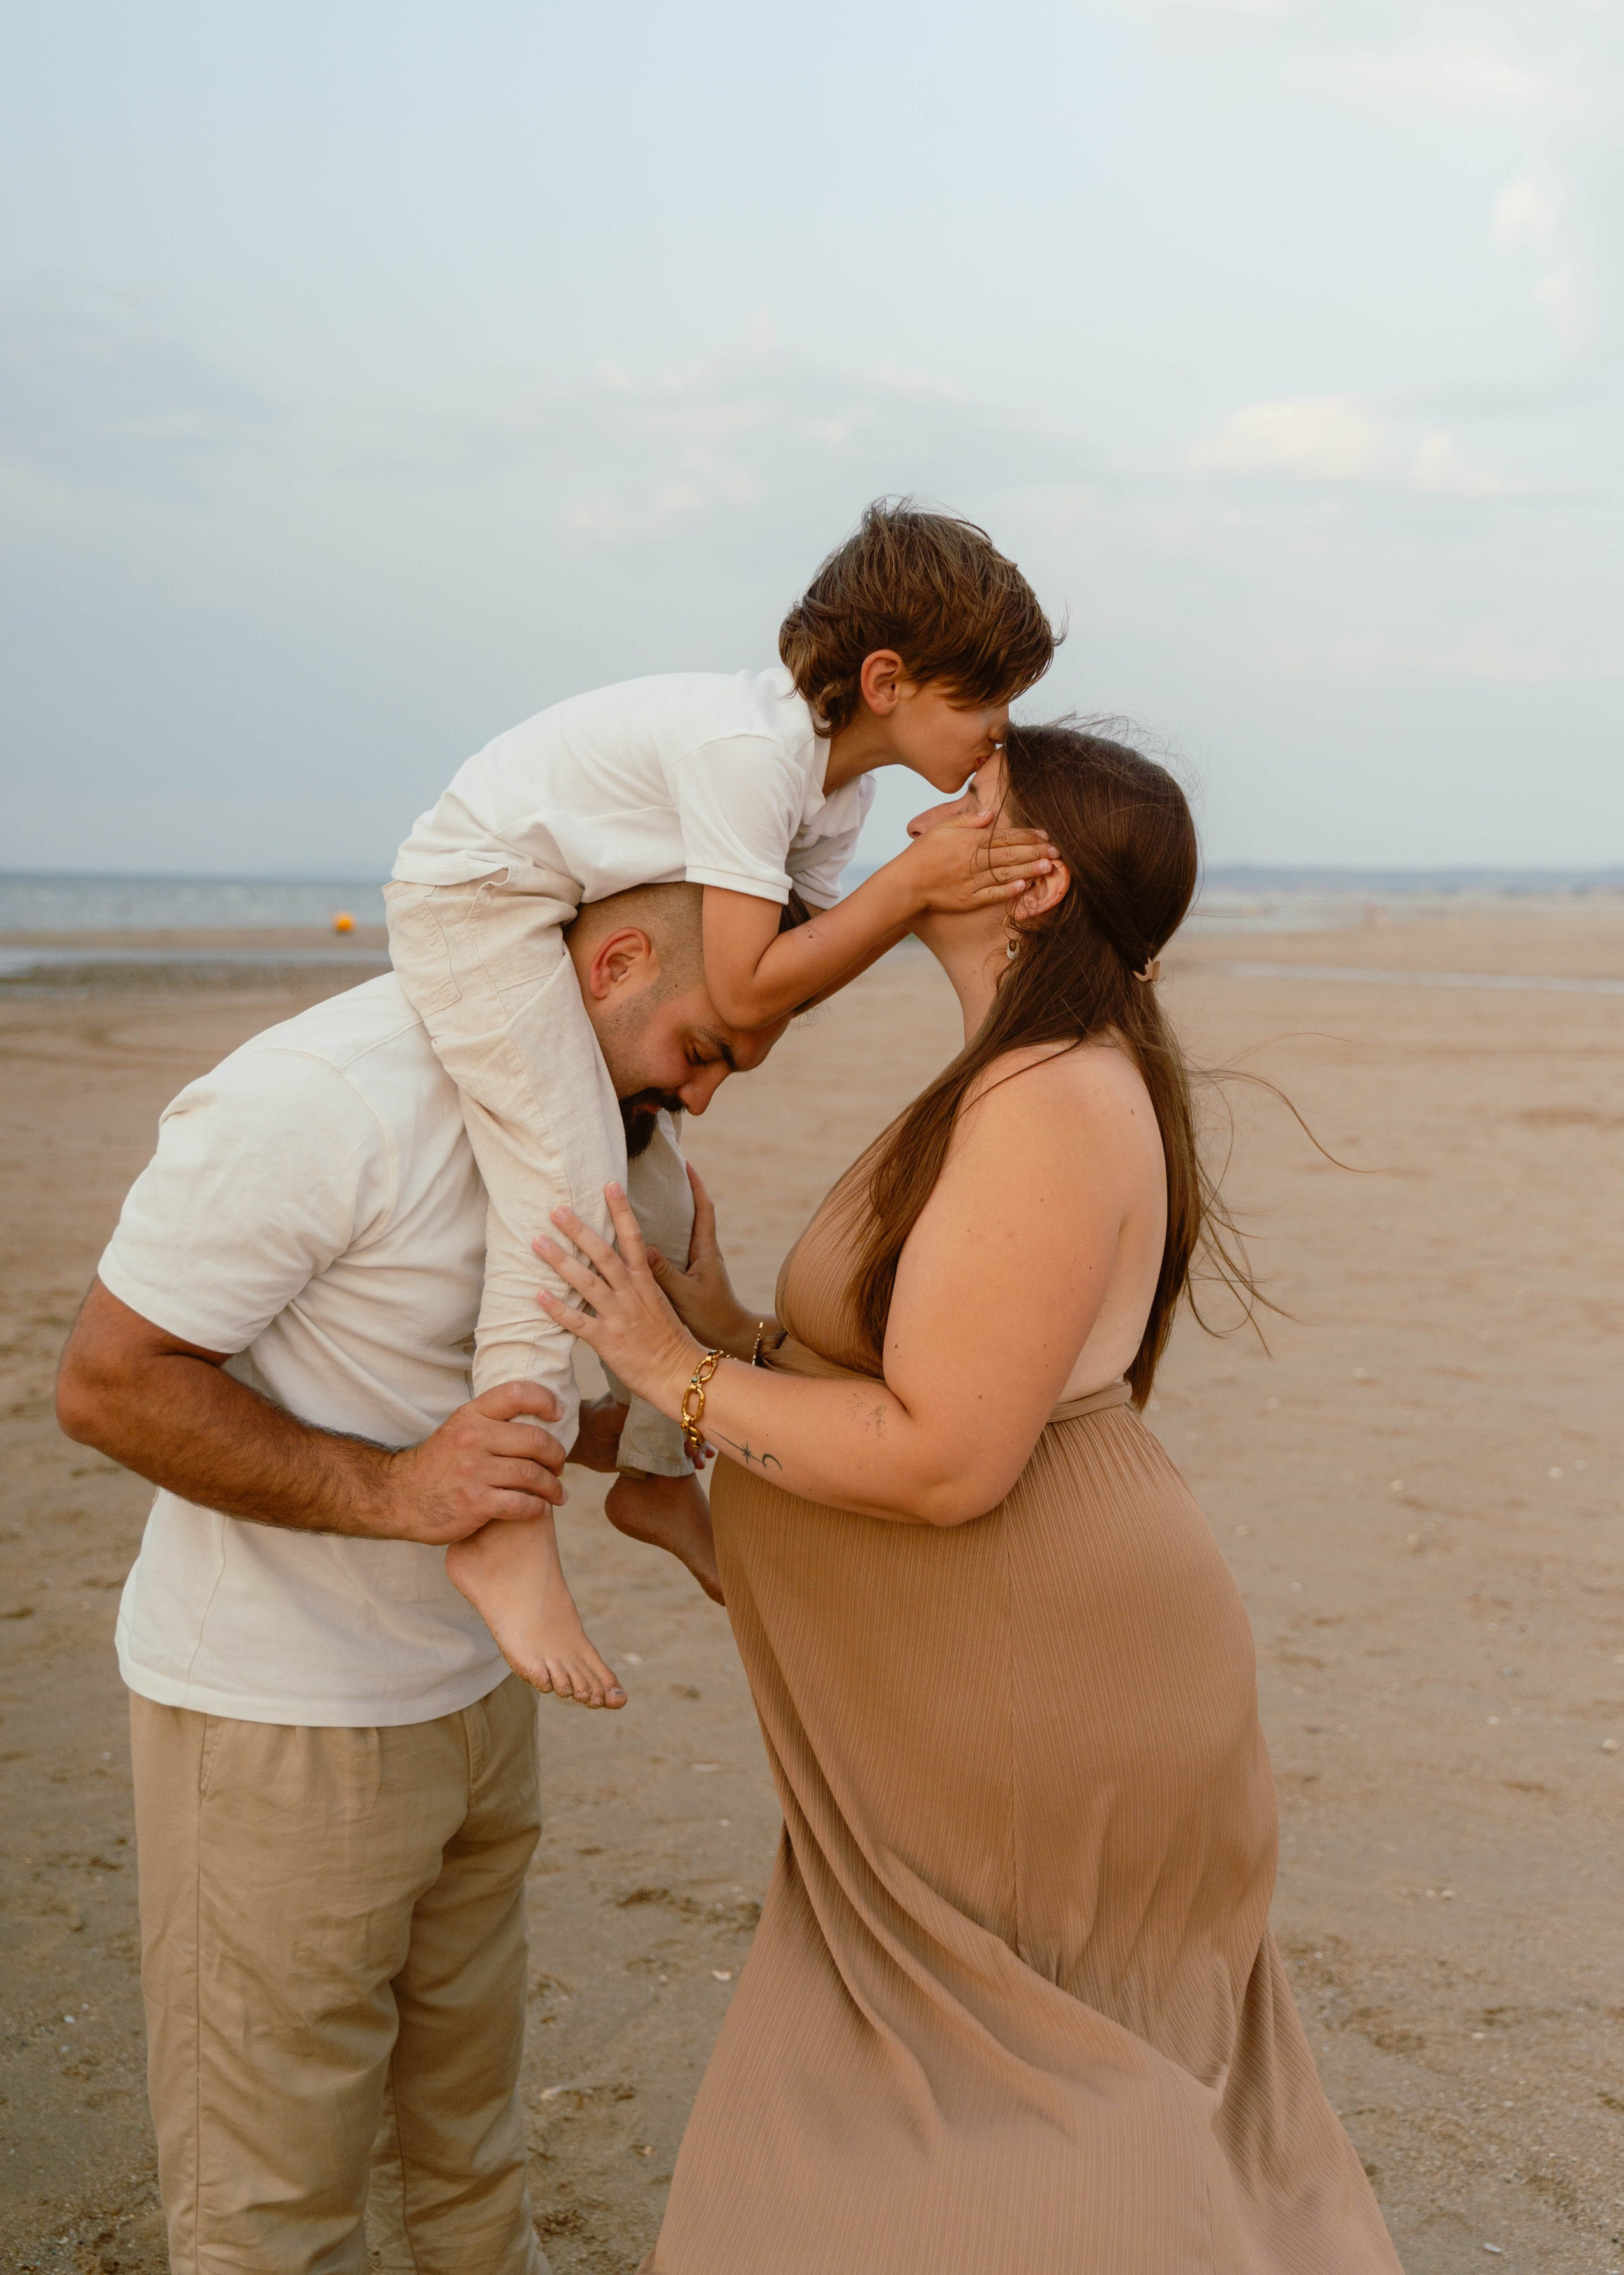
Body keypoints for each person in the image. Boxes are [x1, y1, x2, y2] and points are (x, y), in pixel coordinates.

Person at [530, 726, 1406, 2275]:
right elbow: (924, 1367)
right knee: (985, 2080)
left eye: (971, 804)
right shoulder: (1019, 1077)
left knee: (1021, 2092)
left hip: (1029, 1683)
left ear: (1031, 877)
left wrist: (680, 1376)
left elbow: (946, 1456)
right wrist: (728, 1329)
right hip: (996, 1673)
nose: (927, 816)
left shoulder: (1050, 1101)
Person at [52, 884, 784, 2275]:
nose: (699, 1091)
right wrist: (397, 1494)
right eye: (697, 1047)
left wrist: (670, 1414)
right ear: (615, 959)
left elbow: (467, 1400)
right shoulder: (324, 1095)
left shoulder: (620, 1132)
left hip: (481, 1694)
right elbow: (107, 1387)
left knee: (471, 2156)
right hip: (280, 1723)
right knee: (272, 2209)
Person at [385, 500, 1061, 1704]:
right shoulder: (753, 757)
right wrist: (910, 886)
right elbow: (750, 979)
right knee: (566, 1185)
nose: (999, 732)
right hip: (480, 900)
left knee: (650, 1191)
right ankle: (499, 1534)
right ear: (889, 679)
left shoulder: (831, 796)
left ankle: (653, 1475)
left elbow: (756, 1008)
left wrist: (899, 894)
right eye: (982, 703)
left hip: (572, 914)